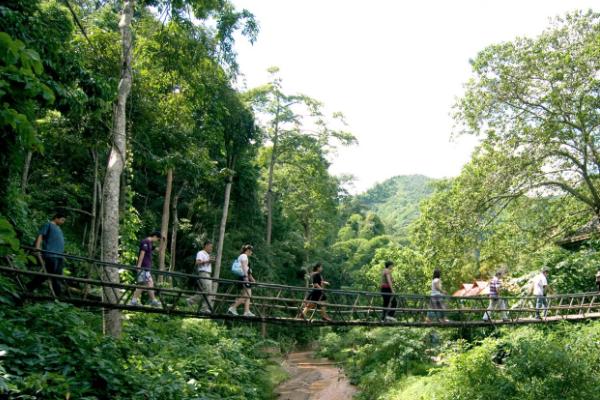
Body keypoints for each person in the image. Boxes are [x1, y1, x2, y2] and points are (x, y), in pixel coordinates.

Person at [27, 212, 67, 296]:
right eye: (62, 220)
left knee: (54, 275)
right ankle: (58, 297)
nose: (63, 222)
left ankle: (30, 286)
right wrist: (37, 248)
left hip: (59, 256)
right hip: (51, 254)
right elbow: (40, 235)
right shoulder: (48, 225)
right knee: (53, 276)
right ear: (56, 218)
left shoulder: (59, 229)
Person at [129, 231, 161, 307]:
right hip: (143, 267)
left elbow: (158, 250)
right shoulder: (145, 242)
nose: (157, 240)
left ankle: (153, 301)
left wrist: (163, 241)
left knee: (149, 284)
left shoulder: (150, 243)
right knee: (142, 284)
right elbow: (142, 253)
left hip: (146, 268)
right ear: (155, 236)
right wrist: (139, 266)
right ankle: (134, 301)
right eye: (158, 239)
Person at [187, 240, 216, 313]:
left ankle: (204, 309)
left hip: (208, 274)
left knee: (209, 292)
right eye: (210, 247)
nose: (211, 248)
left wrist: (210, 261)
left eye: (211, 247)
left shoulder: (208, 254)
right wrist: (207, 261)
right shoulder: (201, 253)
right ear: (205, 246)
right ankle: (191, 301)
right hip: (203, 273)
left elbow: (207, 262)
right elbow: (197, 262)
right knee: (207, 290)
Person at [228, 245, 256, 317]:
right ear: (247, 250)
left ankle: (246, 311)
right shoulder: (244, 256)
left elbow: (247, 269)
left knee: (247, 295)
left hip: (243, 277)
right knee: (247, 295)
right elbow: (244, 266)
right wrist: (246, 277)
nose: (251, 252)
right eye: (251, 251)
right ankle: (233, 308)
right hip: (244, 277)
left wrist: (252, 279)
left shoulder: (242, 256)